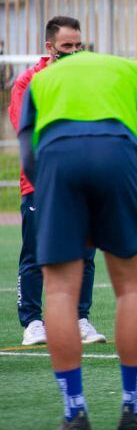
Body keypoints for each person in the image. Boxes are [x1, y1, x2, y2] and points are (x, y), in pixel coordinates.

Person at [17, 49, 137, 430]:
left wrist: (58, 202)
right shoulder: (132, 72)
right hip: (117, 156)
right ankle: (133, 409)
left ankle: (75, 414)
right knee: (131, 289)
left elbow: (27, 154)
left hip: (58, 160)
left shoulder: (40, 80)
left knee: (57, 292)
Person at [8, 17, 104, 347]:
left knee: (85, 252)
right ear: (50, 47)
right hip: (41, 181)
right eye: (68, 46)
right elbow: (27, 130)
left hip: (82, 179)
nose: (75, 52)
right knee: (36, 252)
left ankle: (80, 319)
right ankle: (33, 322)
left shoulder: (89, 82)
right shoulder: (27, 83)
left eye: (79, 46)